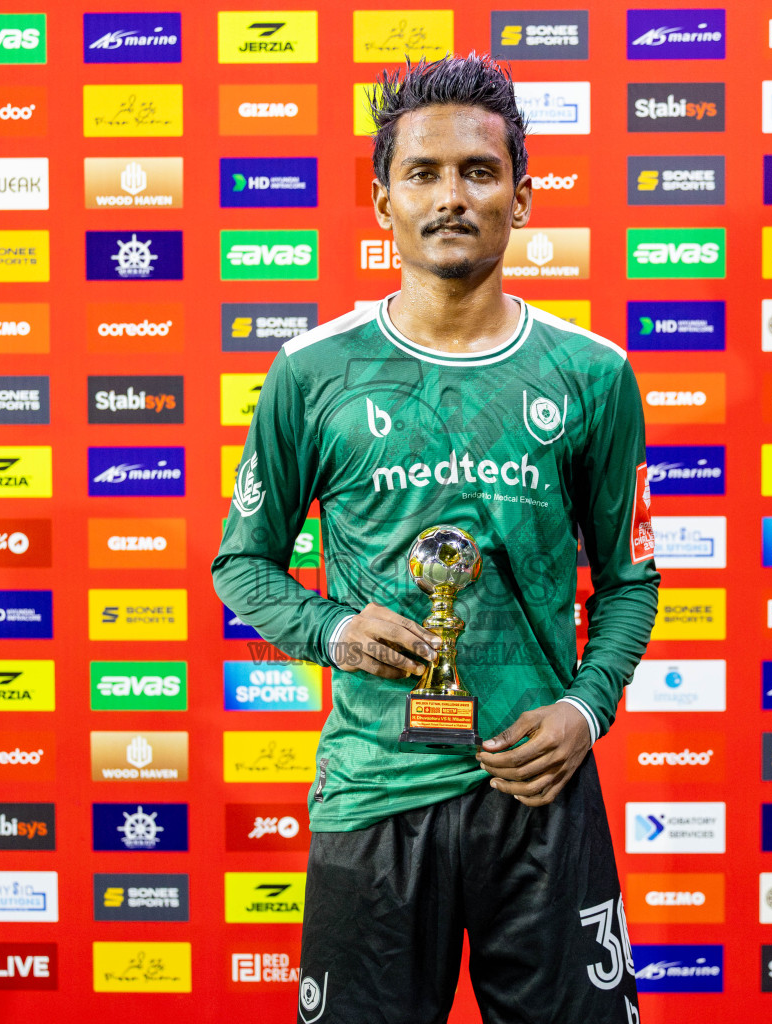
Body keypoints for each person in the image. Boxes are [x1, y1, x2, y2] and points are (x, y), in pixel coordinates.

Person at [212, 53, 659, 1024]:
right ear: (383, 201)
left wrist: (585, 710)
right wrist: (334, 630)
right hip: (374, 795)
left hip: (540, 797)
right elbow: (241, 563)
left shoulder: (593, 375)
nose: (452, 196)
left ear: (522, 198)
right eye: (423, 172)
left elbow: (630, 580)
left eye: (478, 172)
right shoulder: (312, 373)